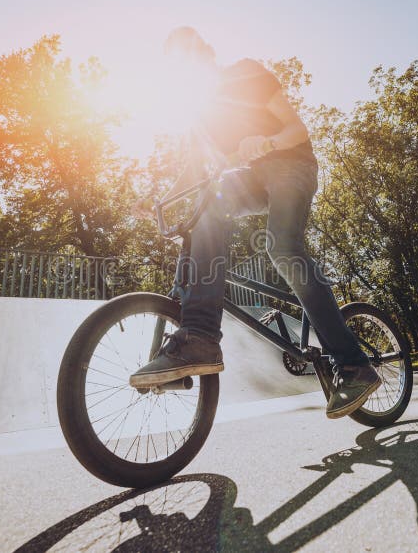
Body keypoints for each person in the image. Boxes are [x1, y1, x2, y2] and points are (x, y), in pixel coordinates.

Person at [129, 27, 380, 418]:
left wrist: (269, 142)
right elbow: (193, 171)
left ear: (207, 55)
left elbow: (297, 129)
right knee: (206, 209)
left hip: (291, 165)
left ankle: (354, 365)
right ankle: (200, 335)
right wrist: (158, 200)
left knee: (282, 248)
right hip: (254, 178)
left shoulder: (245, 74)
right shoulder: (200, 116)